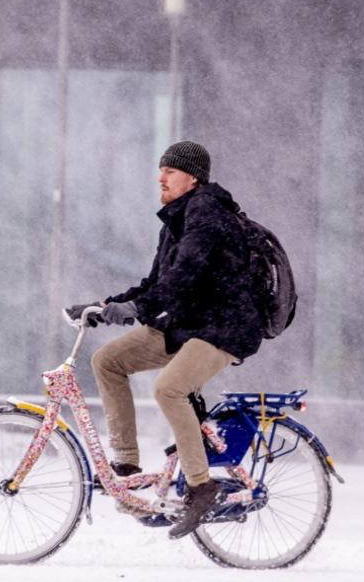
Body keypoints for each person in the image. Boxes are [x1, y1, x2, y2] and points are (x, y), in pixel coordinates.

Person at [66, 141, 264, 540]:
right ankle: (125, 467)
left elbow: (183, 278)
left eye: (170, 171)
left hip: (224, 325)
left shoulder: (207, 214)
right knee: (108, 361)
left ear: (192, 178)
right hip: (190, 323)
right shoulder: (176, 219)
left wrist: (136, 310)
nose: (161, 177)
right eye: (161, 170)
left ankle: (200, 486)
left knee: (169, 389)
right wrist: (107, 305)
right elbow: (156, 282)